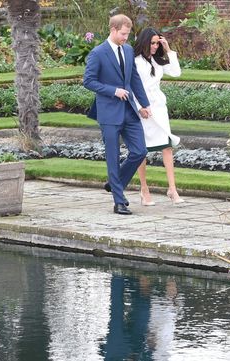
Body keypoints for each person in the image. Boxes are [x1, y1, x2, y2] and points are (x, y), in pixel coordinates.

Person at [83, 14, 152, 215]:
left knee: (140, 151)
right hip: (109, 113)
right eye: (123, 34)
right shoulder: (98, 53)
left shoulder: (128, 50)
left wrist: (144, 104)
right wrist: (113, 91)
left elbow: (134, 78)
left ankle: (115, 183)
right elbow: (88, 81)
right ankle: (119, 201)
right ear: (113, 30)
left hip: (130, 111)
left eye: (127, 34)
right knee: (112, 158)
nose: (125, 38)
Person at [132, 28, 184, 206]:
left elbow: (176, 72)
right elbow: (132, 86)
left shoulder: (158, 60)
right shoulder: (136, 61)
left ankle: (172, 189)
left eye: (157, 43)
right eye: (152, 43)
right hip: (143, 108)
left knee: (167, 147)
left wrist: (167, 49)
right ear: (144, 42)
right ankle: (144, 189)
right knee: (142, 151)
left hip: (159, 107)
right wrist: (140, 107)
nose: (154, 46)